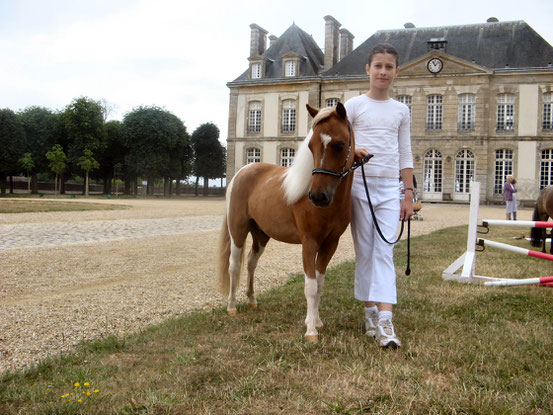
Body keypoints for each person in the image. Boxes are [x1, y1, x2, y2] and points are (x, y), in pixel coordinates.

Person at [345, 43, 414, 348]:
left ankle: (386, 323)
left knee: (384, 252)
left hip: (389, 189)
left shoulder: (401, 110)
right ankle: (370, 311)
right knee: (365, 251)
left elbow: (406, 153)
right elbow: (336, 142)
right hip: (358, 187)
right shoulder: (353, 106)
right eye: (378, 66)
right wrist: (352, 150)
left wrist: (408, 195)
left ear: (396, 72)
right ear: (368, 70)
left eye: (389, 67)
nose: (383, 72)